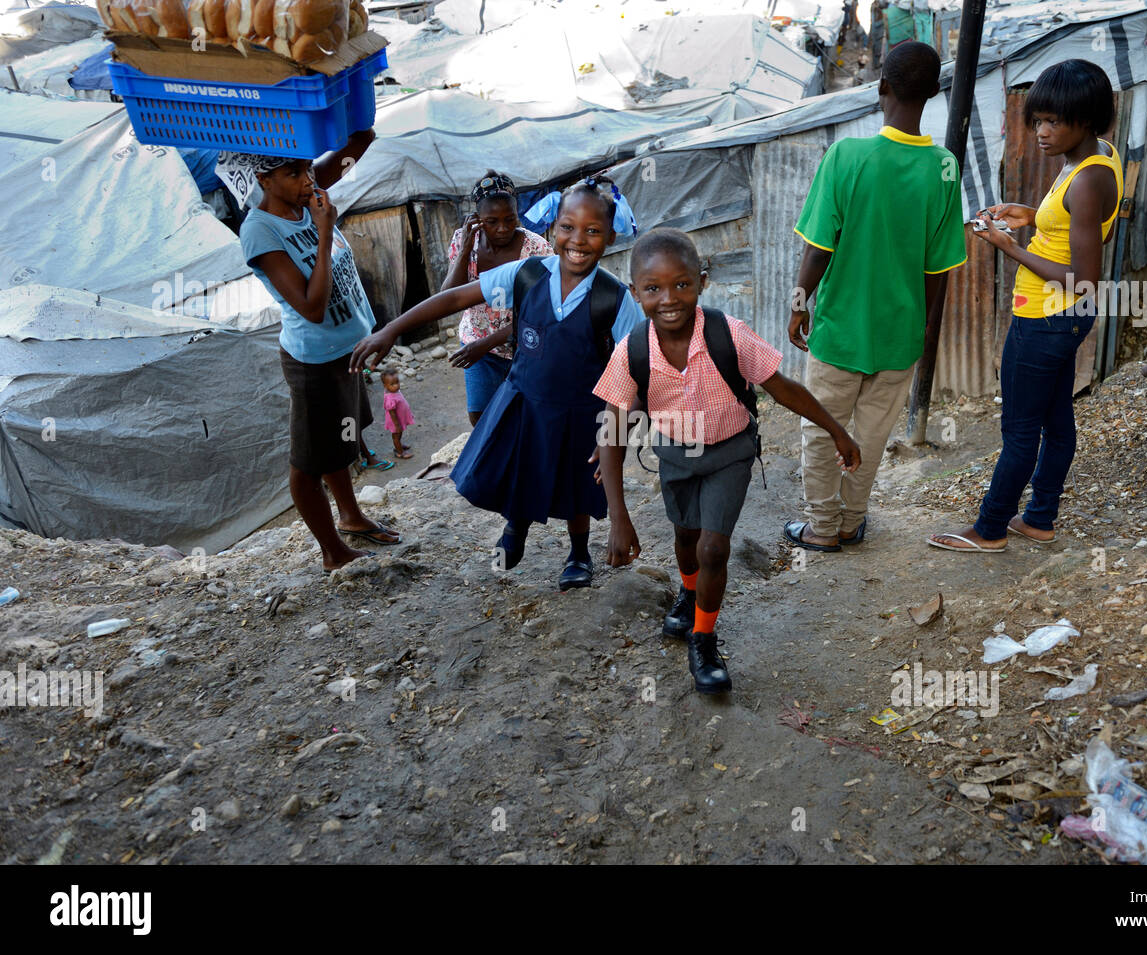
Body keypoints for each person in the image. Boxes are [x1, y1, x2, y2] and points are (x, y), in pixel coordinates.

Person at [596, 228, 862, 694]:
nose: (669, 299)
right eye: (653, 288)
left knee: (713, 547)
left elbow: (782, 387)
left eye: (682, 284)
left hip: (729, 453)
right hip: (676, 454)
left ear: (702, 281)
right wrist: (618, 517)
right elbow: (614, 427)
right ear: (634, 292)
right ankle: (686, 589)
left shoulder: (727, 333)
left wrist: (836, 429)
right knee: (686, 536)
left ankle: (704, 638)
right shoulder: (632, 349)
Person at [352, 176, 641, 590]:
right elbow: (454, 299)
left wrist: (618, 431)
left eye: (593, 231)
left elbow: (638, 375)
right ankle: (515, 530)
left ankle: (578, 553)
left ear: (611, 237)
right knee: (521, 470)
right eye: (567, 227)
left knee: (577, 486)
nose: (578, 240)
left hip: (581, 412)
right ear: (551, 228)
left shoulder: (615, 300)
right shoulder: (527, 274)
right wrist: (391, 330)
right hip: (524, 400)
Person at [928, 59, 1121, 553]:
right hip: (1064, 320)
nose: (1041, 131)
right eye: (1037, 120)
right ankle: (1038, 519)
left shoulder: (1085, 178)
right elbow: (1088, 227)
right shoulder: (1098, 159)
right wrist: (1033, 216)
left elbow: (1084, 279)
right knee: (1056, 423)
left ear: (1088, 118)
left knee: (1019, 431)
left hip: (1046, 318)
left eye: (1054, 121)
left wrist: (1009, 245)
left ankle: (990, 529)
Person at [784, 40, 967, 554]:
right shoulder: (944, 168)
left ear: (881, 86)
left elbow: (819, 247)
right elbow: (938, 267)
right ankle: (851, 522)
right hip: (900, 336)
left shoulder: (847, 155)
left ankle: (822, 527)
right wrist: (922, 327)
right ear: (933, 93)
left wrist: (800, 302)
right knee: (871, 433)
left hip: (841, 331)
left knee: (823, 431)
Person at [219, 130, 402, 572]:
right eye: (293, 173)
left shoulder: (306, 190)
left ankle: (352, 516)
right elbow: (312, 307)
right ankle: (331, 551)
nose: (307, 180)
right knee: (307, 463)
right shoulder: (260, 232)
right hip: (313, 362)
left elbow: (362, 137)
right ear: (264, 179)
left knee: (341, 441)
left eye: (306, 168)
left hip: (348, 351)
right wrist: (323, 233)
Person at [444, 171, 553, 425]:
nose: (503, 228)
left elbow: (539, 313)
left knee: (528, 415)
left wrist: (484, 344)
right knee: (481, 418)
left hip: (526, 347)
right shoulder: (463, 241)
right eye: (491, 221)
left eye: (510, 219)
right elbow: (448, 296)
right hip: (477, 346)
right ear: (477, 219)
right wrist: (465, 251)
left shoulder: (537, 249)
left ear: (518, 213)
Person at [381, 369, 416, 459]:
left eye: (397, 382)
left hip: (400, 418)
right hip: (395, 421)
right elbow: (392, 412)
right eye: (392, 384)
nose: (396, 386)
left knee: (399, 434)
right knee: (396, 436)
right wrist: (397, 425)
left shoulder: (394, 391)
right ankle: (400, 452)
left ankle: (399, 445)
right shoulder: (390, 398)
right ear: (385, 385)